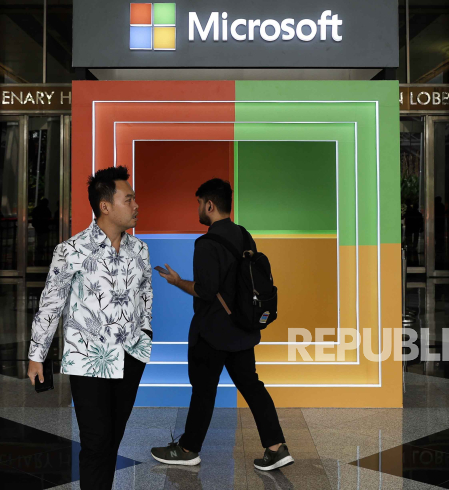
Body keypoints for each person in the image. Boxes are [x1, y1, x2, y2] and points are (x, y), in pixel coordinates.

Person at [150, 178, 293, 472]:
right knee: (252, 387)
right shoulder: (244, 235)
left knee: (204, 391)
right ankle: (276, 448)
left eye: (200, 204)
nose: (199, 209)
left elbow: (205, 289)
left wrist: (177, 282)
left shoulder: (206, 243)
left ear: (210, 205)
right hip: (243, 329)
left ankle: (188, 449)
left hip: (212, 332)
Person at [27, 166, 153, 490]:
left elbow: (145, 295)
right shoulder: (70, 251)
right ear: (106, 206)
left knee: (111, 440)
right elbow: (51, 304)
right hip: (89, 362)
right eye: (130, 199)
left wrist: (145, 336)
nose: (137, 205)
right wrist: (36, 355)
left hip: (130, 358)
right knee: (96, 442)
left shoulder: (139, 250)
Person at [31, 197, 52, 265]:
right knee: (42, 243)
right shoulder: (46, 210)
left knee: (40, 243)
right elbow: (49, 217)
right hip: (44, 229)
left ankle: (38, 257)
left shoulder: (36, 209)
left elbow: (33, 218)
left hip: (39, 228)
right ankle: (40, 256)